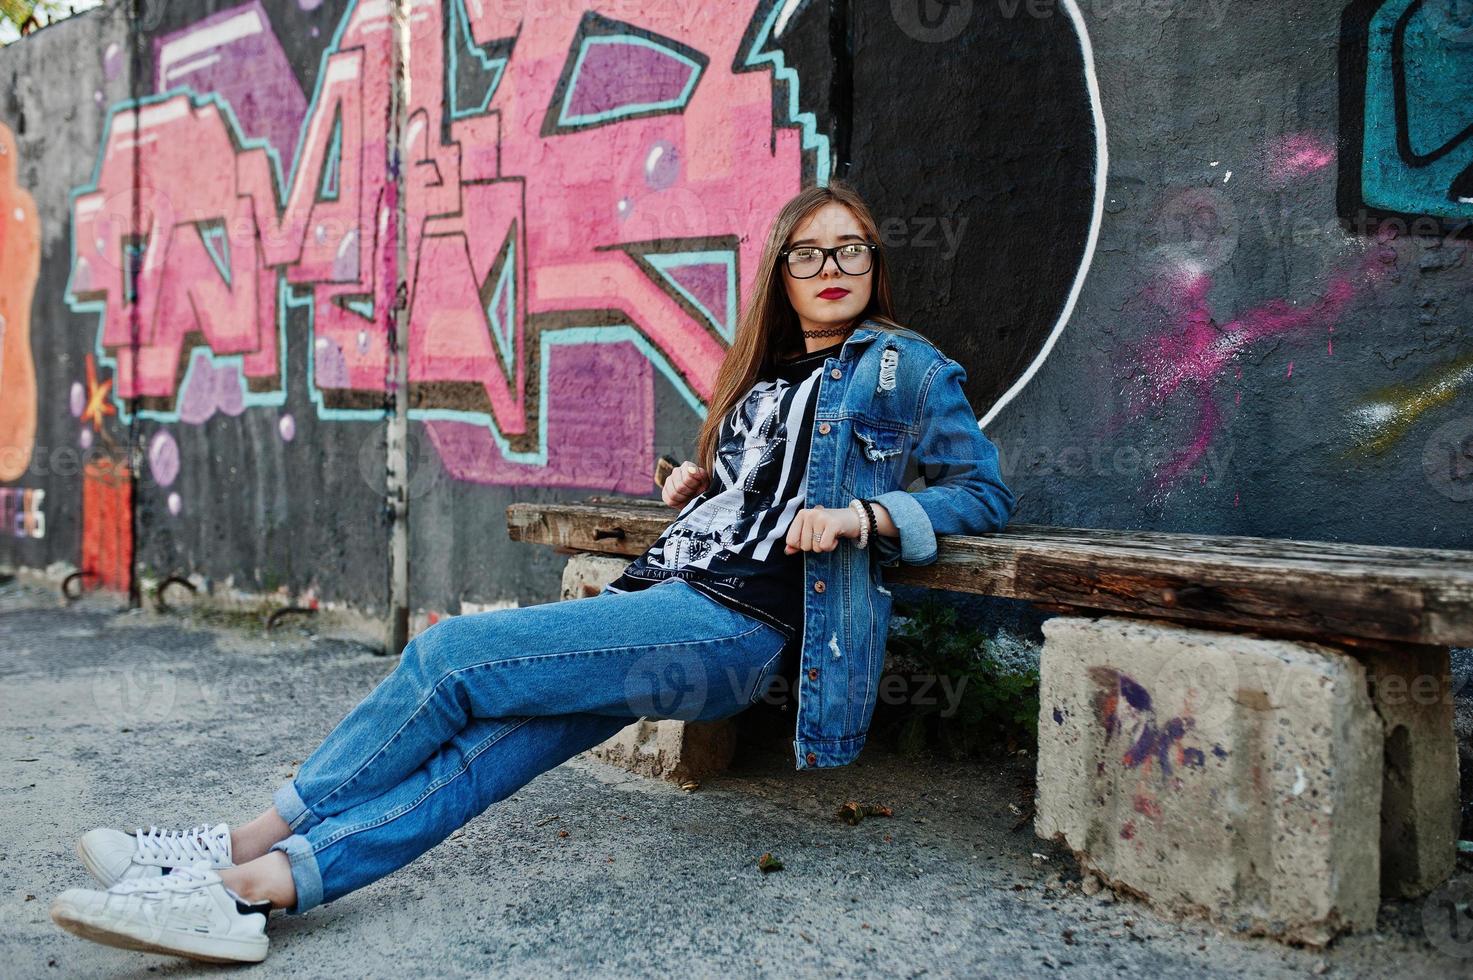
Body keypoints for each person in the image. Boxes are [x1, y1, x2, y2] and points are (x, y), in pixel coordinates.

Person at [48, 179, 1016, 963]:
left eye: (851, 249)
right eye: (809, 252)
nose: (832, 267)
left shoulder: (906, 369)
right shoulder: (765, 380)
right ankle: (259, 890)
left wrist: (869, 513)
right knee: (491, 747)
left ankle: (239, 839)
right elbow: (758, 485)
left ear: (874, 266)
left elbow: (983, 490)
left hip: (730, 625)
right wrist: (703, 479)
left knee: (455, 658)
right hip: (671, 597)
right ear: (784, 274)